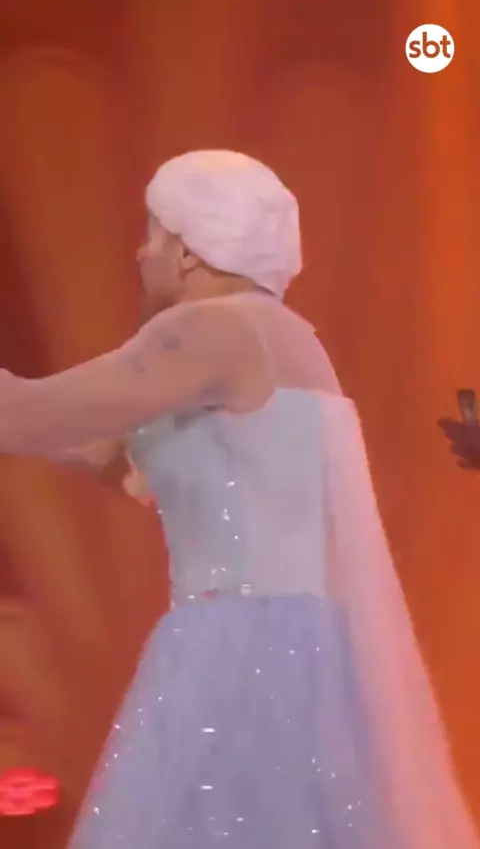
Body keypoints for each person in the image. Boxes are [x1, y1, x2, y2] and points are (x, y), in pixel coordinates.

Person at [0, 150, 478, 849]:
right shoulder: (277, 338)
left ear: (188, 251)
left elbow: (23, 417)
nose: (140, 255)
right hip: (294, 649)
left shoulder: (211, 329)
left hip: (241, 646)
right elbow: (121, 465)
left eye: (152, 235)